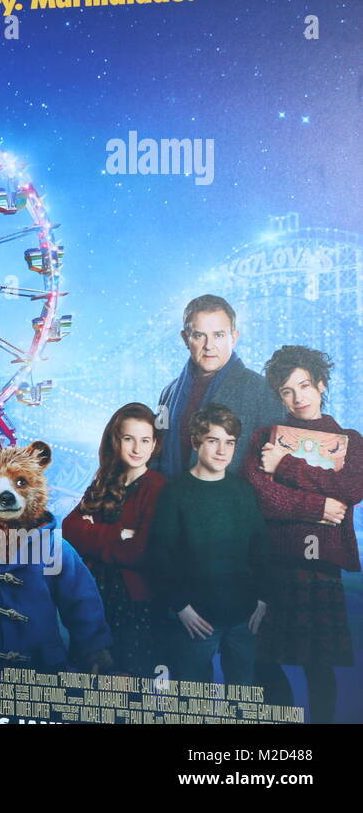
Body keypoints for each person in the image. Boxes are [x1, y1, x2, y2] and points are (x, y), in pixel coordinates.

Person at [243, 345, 360, 723]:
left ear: (321, 384)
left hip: (320, 568)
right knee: (261, 656)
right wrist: (316, 507)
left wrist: (287, 465)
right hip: (272, 566)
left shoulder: (350, 440)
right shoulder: (265, 436)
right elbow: (262, 498)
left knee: (318, 664)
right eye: (287, 391)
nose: (298, 398)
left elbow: (350, 488)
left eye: (305, 385)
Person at [149, 403, 272, 686]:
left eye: (229, 443)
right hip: (196, 619)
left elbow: (261, 549)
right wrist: (181, 607)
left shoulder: (242, 490)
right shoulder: (175, 492)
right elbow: (160, 556)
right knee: (193, 698)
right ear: (195, 442)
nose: (222, 451)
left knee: (242, 697)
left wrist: (263, 600)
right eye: (213, 441)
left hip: (242, 615)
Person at [62, 402, 167, 678]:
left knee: (129, 681)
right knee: (91, 677)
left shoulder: (157, 487)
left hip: (134, 603)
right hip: (94, 597)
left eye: (145, 440)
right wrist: (118, 534)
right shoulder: (105, 481)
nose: (137, 448)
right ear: (115, 441)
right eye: (128, 439)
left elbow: (140, 552)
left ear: (155, 444)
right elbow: (69, 528)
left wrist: (94, 538)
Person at [154, 294, 282, 479]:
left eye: (219, 335)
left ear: (234, 337)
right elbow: (156, 451)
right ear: (185, 339)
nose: (209, 346)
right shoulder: (168, 392)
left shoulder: (263, 390)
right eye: (199, 335)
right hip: (169, 500)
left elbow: (272, 467)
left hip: (231, 503)